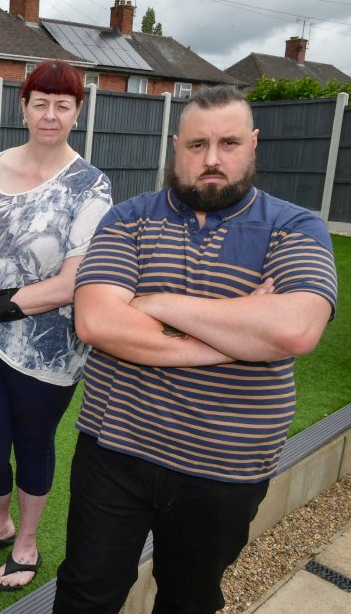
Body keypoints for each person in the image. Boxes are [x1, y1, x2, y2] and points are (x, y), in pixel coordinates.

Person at [53, 85, 338, 613]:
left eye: (228, 143)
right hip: (115, 451)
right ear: (175, 145)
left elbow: (294, 330)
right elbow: (95, 321)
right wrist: (230, 342)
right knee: (85, 593)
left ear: (252, 144)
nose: (211, 159)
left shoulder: (294, 226)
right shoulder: (127, 220)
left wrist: (156, 301)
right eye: (196, 145)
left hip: (226, 467)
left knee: (190, 599)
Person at [0, 60, 112, 591]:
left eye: (63, 105)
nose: (50, 115)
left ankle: (28, 542)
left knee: (32, 443)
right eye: (40, 103)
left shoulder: (90, 186)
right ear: (24, 107)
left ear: (77, 112)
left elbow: (70, 284)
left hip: (46, 345)